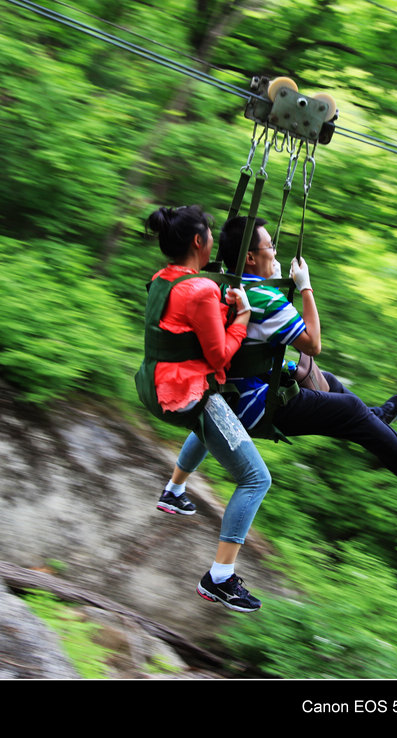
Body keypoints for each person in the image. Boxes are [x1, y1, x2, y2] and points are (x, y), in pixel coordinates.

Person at [163, 214, 397, 510]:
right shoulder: (264, 300)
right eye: (270, 246)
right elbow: (314, 343)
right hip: (253, 405)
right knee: (350, 409)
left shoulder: (229, 284)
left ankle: (374, 420)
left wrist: (272, 283)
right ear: (252, 258)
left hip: (234, 388)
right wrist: (305, 287)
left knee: (331, 383)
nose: (275, 251)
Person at [135, 205, 269, 613]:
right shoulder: (202, 290)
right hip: (187, 393)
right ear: (199, 242)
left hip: (153, 384)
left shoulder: (162, 280)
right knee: (256, 479)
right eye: (209, 234)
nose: (213, 240)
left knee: (215, 424)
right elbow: (220, 358)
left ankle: (174, 490)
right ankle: (220, 579)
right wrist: (242, 315)